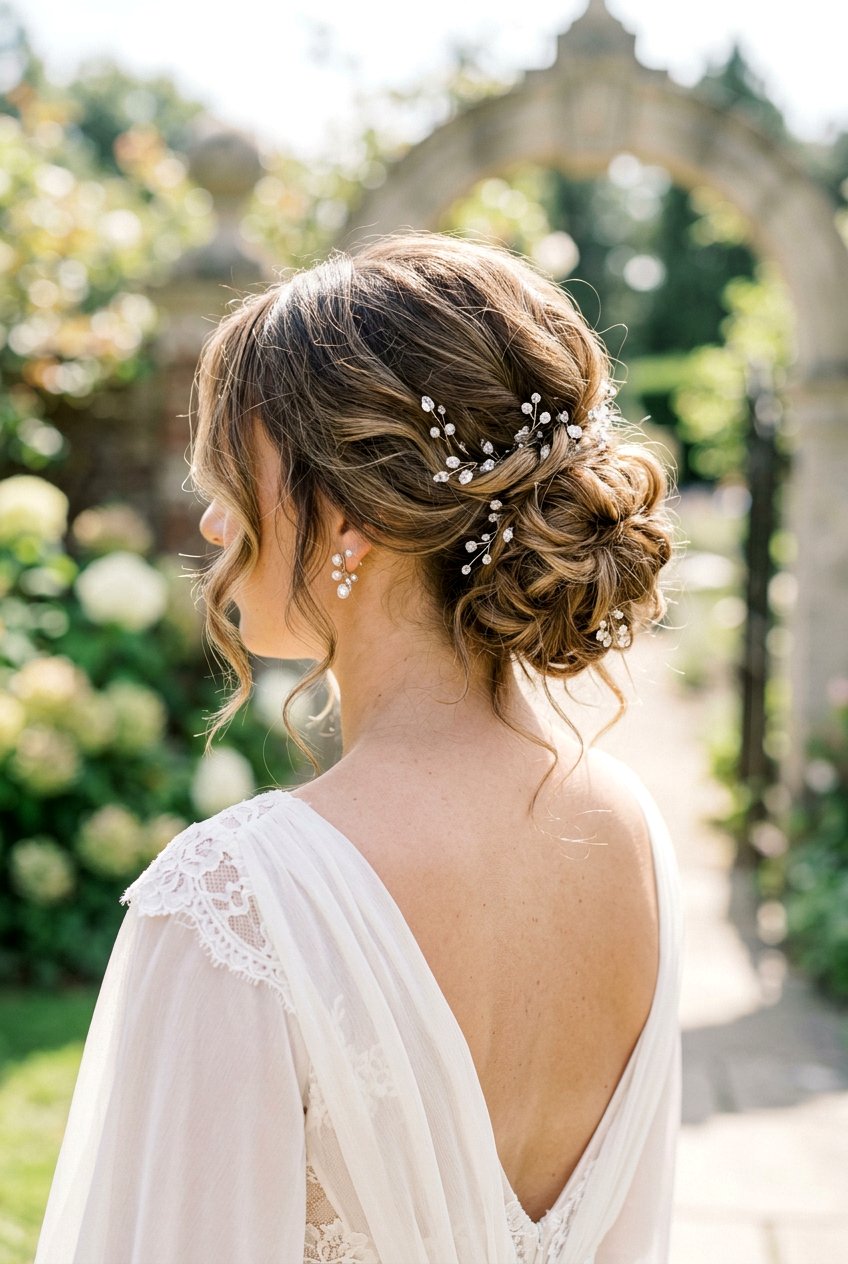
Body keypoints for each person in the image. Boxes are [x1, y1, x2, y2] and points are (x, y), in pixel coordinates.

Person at [34, 230, 685, 1263]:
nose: (210, 523)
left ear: (338, 515)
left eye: (229, 476)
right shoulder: (630, 832)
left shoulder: (234, 904)